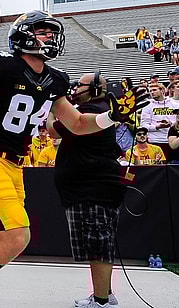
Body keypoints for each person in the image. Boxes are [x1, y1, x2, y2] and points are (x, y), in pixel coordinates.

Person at [0, 11, 148, 308]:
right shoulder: (2, 66)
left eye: (52, 32)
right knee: (16, 236)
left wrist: (111, 117)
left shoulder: (55, 79)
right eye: (43, 31)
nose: (50, 36)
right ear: (24, 35)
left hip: (16, 166)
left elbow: (76, 124)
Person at [47, 72, 125, 308]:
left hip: (92, 190)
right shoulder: (97, 109)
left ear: (94, 88)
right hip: (91, 189)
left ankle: (101, 301)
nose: (74, 89)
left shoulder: (92, 110)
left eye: (79, 85)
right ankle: (104, 294)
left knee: (98, 245)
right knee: (99, 245)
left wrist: (53, 104)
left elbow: (53, 130)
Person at [140, 83, 176, 159]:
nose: (152, 92)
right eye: (150, 91)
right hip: (154, 141)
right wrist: (157, 127)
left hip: (172, 140)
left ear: (162, 90)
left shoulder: (174, 104)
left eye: (154, 90)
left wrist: (171, 124)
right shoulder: (147, 106)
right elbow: (143, 125)